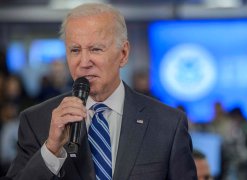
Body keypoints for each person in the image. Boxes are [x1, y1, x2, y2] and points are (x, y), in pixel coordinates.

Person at [5, 3, 196, 180]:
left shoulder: (168, 124)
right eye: (75, 50)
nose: (84, 62)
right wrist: (51, 150)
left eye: (95, 49)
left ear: (123, 54)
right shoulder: (37, 121)